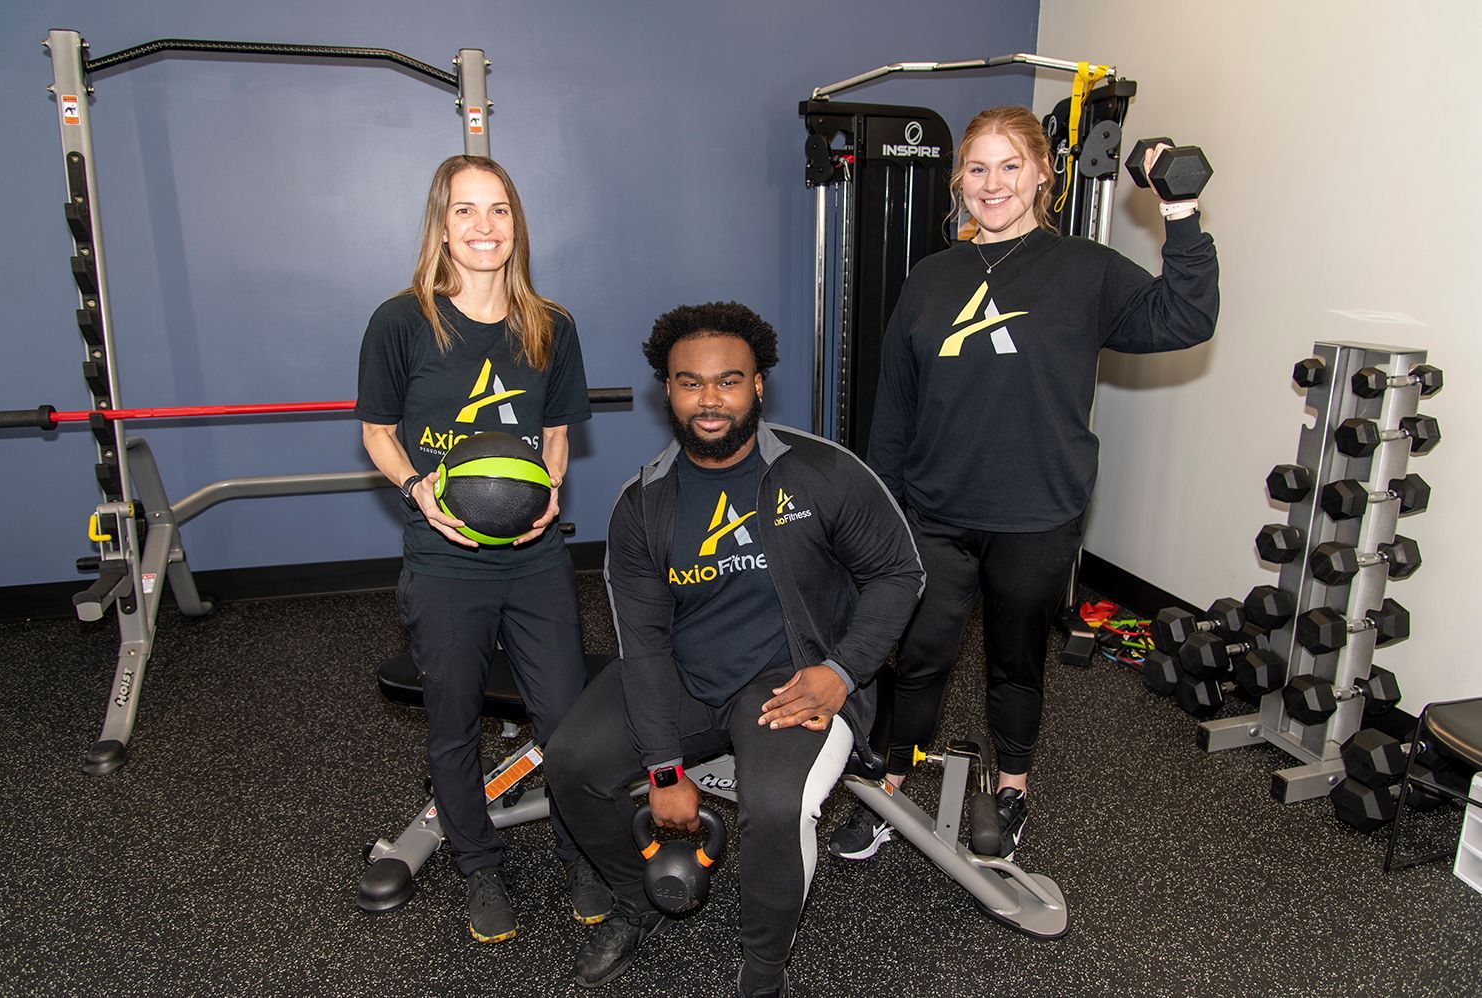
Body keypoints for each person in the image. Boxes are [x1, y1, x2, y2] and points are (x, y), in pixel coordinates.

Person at [829, 106, 1219, 864]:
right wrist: (879, 513)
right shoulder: (931, 277)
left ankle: (1012, 789)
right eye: (977, 168)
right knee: (918, 655)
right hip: (935, 512)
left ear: (1044, 173)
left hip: (1038, 512)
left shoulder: (1087, 269)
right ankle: (890, 791)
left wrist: (1180, 209)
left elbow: (1185, 317)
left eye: (1011, 166)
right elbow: (896, 404)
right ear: (958, 183)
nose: (993, 183)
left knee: (1016, 659)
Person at [544, 302, 924, 996]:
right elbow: (645, 644)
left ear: (758, 386)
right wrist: (663, 770)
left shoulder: (823, 473)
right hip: (688, 676)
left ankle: (762, 970)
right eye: (690, 382)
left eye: (728, 381)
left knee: (776, 807)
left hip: (789, 680)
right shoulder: (643, 504)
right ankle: (636, 902)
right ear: (669, 391)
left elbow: (900, 574)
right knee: (570, 763)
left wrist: (843, 671)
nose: (709, 399)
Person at [355, 155, 611, 943]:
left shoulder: (551, 326)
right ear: (442, 224)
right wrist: (415, 491)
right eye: (465, 212)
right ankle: (478, 865)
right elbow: (376, 431)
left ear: (516, 223)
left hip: (533, 555)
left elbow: (559, 433)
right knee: (454, 718)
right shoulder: (402, 321)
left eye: (497, 210)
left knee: (564, 717)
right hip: (443, 557)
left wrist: (551, 490)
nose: (483, 227)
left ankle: (583, 853)